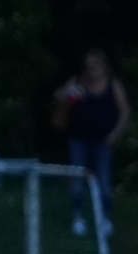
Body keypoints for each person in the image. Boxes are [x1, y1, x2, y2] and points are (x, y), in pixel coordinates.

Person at [52, 49, 130, 238]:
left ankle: (105, 218)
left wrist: (115, 134)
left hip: (103, 141)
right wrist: (68, 94)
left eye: (96, 65)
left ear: (104, 67)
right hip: (79, 140)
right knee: (77, 179)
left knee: (104, 181)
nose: (92, 70)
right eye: (88, 66)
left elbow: (125, 111)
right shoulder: (77, 82)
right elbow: (58, 96)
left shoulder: (113, 85)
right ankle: (77, 217)